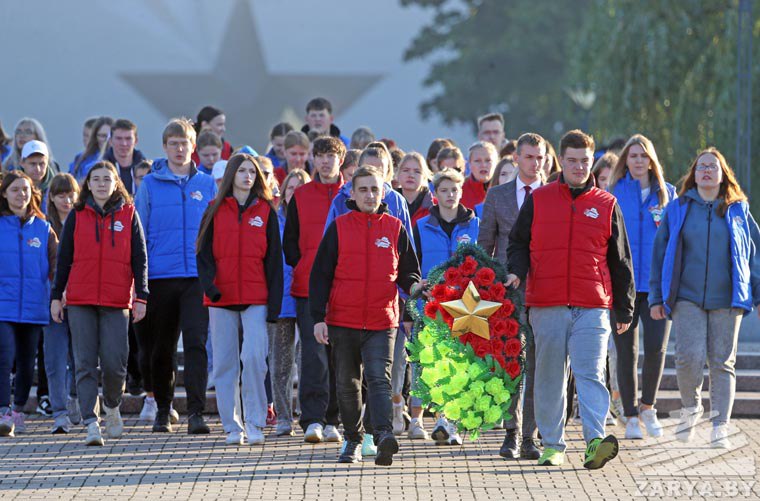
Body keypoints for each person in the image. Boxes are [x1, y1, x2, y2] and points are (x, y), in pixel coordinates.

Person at [507, 129, 635, 469]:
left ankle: (595, 441)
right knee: (549, 375)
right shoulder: (539, 199)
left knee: (590, 371)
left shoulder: (607, 204)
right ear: (560, 161)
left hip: (592, 303)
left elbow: (621, 259)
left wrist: (624, 306)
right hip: (546, 302)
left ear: (592, 161)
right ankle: (553, 444)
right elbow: (517, 242)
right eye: (572, 161)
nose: (579, 167)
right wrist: (516, 271)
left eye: (585, 161)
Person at [310, 166, 422, 465]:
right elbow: (320, 275)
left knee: (379, 379)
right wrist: (318, 317)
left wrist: (413, 287)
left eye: (375, 189)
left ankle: (384, 435)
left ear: (383, 192)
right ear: (352, 193)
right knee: (347, 384)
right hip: (341, 319)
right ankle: (352, 440)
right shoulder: (339, 227)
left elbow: (409, 271)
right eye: (363, 189)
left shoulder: (396, 227)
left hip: (381, 320)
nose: (370, 195)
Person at [649, 147, 760, 449]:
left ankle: (720, 426)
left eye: (713, 166)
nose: (707, 170)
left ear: (723, 174)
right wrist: (657, 297)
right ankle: (691, 407)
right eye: (701, 167)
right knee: (688, 359)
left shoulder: (739, 209)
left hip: (728, 298)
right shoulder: (678, 207)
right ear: (694, 175)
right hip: (686, 297)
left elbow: (754, 256)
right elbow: (659, 254)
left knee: (722, 362)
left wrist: (758, 296)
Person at [51, 161, 148, 446]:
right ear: (88, 184)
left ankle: (113, 406)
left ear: (116, 182)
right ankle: (91, 423)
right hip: (80, 300)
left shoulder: (129, 214)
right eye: (97, 179)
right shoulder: (77, 215)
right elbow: (64, 258)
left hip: (117, 301)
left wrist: (141, 296)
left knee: (115, 362)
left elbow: (140, 258)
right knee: (83, 363)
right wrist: (57, 296)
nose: (102, 184)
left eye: (108, 179)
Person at [135, 118, 217, 434]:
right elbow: (138, 233)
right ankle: (163, 409)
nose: (180, 149)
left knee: (196, 343)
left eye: (184, 143)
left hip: (196, 278)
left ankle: (196, 412)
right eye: (173, 143)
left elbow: (215, 233)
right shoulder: (151, 185)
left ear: (193, 146)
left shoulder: (207, 184)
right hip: (160, 276)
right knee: (162, 347)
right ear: (165, 146)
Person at [196, 153, 283, 446]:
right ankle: (232, 427)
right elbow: (203, 255)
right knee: (224, 364)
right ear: (231, 174)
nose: (247, 176)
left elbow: (273, 260)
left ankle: (256, 422)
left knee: (255, 359)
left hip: (256, 296)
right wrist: (211, 287)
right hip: (221, 299)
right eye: (242, 170)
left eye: (252, 171)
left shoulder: (266, 211)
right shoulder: (213, 210)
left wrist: (275, 304)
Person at [479, 132, 546, 460]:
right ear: (516, 159)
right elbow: (485, 246)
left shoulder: (553, 194)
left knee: (537, 364)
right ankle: (511, 432)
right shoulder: (498, 196)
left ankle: (532, 435)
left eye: (540, 157)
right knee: (510, 364)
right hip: (507, 292)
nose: (535, 163)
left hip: (546, 289)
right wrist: (484, 289)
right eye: (529, 157)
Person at [607, 135, 677, 440]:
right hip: (624, 287)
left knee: (656, 349)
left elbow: (676, 242)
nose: (638, 161)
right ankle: (631, 415)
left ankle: (648, 407)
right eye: (632, 156)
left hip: (657, 288)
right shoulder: (614, 192)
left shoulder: (667, 194)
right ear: (626, 160)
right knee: (626, 351)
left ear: (652, 160)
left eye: (643, 156)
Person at [283, 136, 346, 444]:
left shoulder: (352, 194)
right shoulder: (302, 195)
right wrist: (303, 263)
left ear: (340, 160)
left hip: (345, 288)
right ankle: (312, 420)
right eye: (319, 156)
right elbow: (290, 242)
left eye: (330, 156)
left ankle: (334, 419)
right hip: (308, 287)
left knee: (340, 355)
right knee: (313, 354)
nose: (324, 161)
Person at [412, 168, 480, 445]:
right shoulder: (421, 226)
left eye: (454, 190)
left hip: (467, 305)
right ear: (435, 195)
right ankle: (441, 418)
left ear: (461, 191)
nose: (450, 195)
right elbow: (413, 268)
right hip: (432, 305)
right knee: (437, 363)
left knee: (462, 362)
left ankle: (455, 424)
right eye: (444, 190)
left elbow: (486, 263)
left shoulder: (476, 224)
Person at [0, 171, 57, 437]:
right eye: (15, 189)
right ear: (4, 194)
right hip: (4, 305)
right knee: (4, 355)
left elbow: (55, 267)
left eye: (25, 189)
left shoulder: (43, 228)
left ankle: (18, 411)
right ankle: (2, 410)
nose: (21, 194)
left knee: (26, 362)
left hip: (34, 307)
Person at [268, 169, 311, 437]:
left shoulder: (314, 220)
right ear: (283, 192)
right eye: (290, 187)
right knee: (281, 361)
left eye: (300, 187)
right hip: (281, 298)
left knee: (308, 360)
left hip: (307, 296)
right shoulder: (273, 220)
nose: (294, 192)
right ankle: (283, 416)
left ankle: (308, 414)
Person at [43, 173, 81, 433]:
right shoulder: (45, 226)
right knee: (55, 359)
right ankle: (59, 412)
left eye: (71, 195)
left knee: (81, 357)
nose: (67, 200)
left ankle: (77, 398)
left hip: (81, 298)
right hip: (53, 299)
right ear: (52, 198)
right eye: (61, 195)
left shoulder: (84, 222)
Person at [325, 146, 414, 243]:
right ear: (358, 169)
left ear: (387, 171)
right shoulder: (341, 199)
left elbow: (406, 246)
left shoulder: (397, 200)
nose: (372, 175)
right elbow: (328, 246)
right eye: (368, 169)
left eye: (379, 171)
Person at [103, 119, 147, 195]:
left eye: (128, 138)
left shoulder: (148, 170)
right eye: (119, 138)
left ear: (136, 141)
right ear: (110, 141)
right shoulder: (99, 169)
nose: (124, 143)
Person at [70, 116, 113, 183]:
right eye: (102, 136)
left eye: (108, 136)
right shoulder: (80, 158)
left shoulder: (118, 159)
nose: (106, 140)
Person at [396, 152, 434, 225]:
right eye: (406, 170)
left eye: (417, 171)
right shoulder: (389, 203)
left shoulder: (434, 206)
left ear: (424, 176)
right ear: (398, 174)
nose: (411, 175)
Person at [20, 141, 55, 216]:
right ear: (22, 163)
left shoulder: (57, 188)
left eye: (42, 164)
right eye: (33, 164)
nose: (38, 169)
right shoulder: (10, 188)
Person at [461, 141, 498, 210]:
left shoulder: (506, 189)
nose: (483, 165)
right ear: (469, 164)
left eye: (488, 160)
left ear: (496, 163)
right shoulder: (459, 190)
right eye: (477, 161)